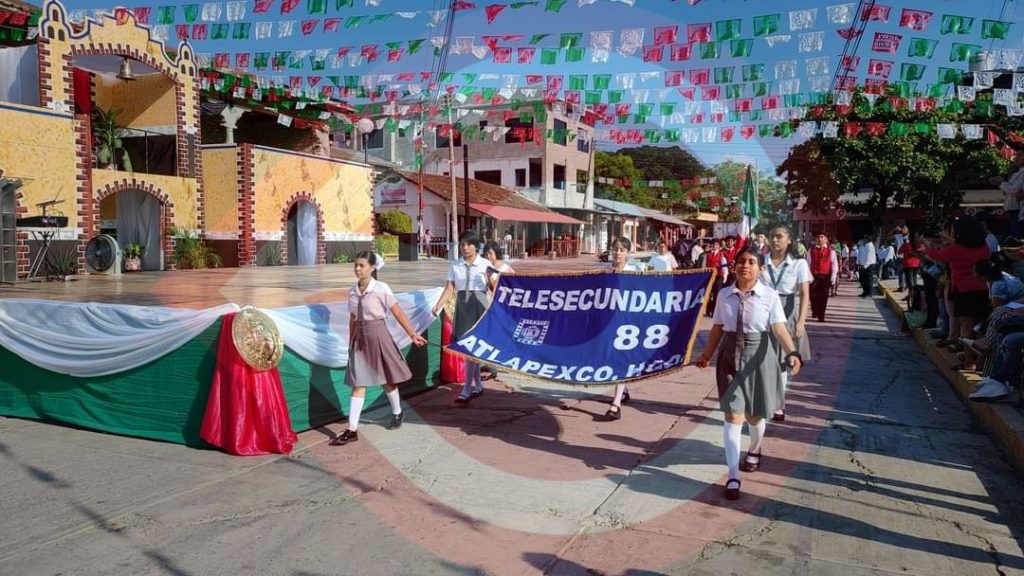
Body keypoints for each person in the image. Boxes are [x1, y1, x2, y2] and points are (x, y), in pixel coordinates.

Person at [695, 246, 803, 500]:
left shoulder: (769, 296)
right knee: (733, 416)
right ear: (734, 266)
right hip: (729, 357)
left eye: (752, 262)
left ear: (761, 269)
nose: (745, 265)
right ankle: (733, 475)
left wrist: (792, 352)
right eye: (741, 261)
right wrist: (706, 355)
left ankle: (755, 448)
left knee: (755, 416)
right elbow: (717, 327)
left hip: (759, 357)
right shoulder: (724, 295)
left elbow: (778, 328)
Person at [331, 252, 428, 446]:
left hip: (378, 335)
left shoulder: (381, 288)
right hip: (359, 339)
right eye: (356, 265)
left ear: (373, 267)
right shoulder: (352, 292)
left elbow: (397, 311)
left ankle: (397, 412)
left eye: (362, 265)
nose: (357, 269)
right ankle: (352, 429)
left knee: (386, 380)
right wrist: (351, 342)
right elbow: (353, 318)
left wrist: (412, 334)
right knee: (359, 383)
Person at [432, 231, 493, 404]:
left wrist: (490, 280)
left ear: (476, 246)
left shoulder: (485, 264)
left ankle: (467, 388)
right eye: (462, 244)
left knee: (472, 347)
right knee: (467, 347)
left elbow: (494, 286)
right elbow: (450, 287)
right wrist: (438, 305)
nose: (465, 247)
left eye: (469, 244)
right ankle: (477, 385)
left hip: (480, 304)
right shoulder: (455, 265)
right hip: (462, 305)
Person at [926, 218, 991, 371]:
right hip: (983, 291)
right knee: (980, 328)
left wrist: (926, 243)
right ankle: (981, 362)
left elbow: (936, 255)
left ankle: (968, 362)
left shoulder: (955, 250)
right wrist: (948, 238)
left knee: (967, 329)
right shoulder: (984, 247)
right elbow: (965, 246)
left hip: (963, 291)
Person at [762, 226, 811, 421]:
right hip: (763, 313)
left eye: (779, 236)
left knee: (782, 360)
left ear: (789, 239)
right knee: (763, 360)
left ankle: (778, 404)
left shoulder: (799, 264)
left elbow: (805, 294)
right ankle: (764, 399)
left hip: (786, 313)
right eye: (771, 236)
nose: (774, 240)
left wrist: (801, 322)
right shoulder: (760, 261)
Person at [604, 237, 644, 420]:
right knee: (607, 358)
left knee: (621, 359)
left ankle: (616, 405)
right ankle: (623, 390)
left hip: (626, 323)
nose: (618, 253)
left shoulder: (635, 273)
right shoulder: (605, 271)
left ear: (628, 253)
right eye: (615, 249)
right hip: (607, 322)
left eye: (622, 250)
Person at [808, 232, 838, 322]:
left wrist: (833, 277)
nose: (819, 239)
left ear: (826, 239)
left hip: (825, 276)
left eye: (822, 237)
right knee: (812, 295)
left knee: (823, 296)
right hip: (813, 275)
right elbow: (808, 263)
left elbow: (834, 265)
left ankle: (821, 316)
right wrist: (807, 276)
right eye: (818, 237)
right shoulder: (811, 250)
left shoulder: (831, 251)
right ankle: (815, 310)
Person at [995, 151, 1024, 240]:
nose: (1016, 158)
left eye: (1019, 156)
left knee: (1017, 236)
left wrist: (1001, 183)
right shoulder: (1018, 173)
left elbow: (1015, 189)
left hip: (1017, 207)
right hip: (1012, 206)